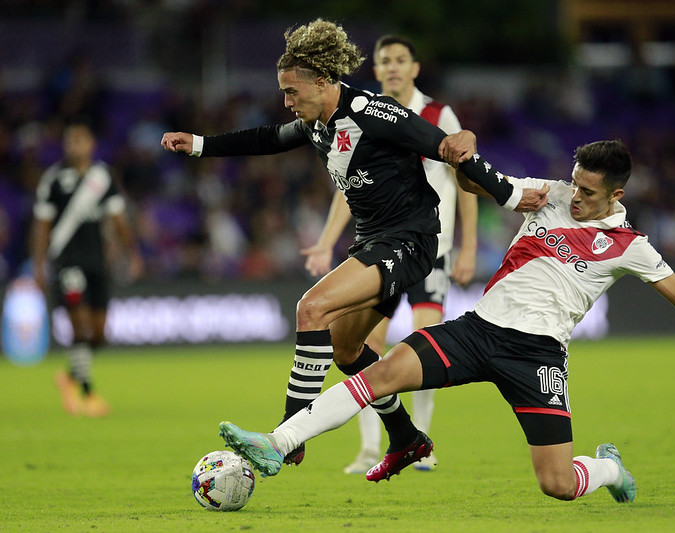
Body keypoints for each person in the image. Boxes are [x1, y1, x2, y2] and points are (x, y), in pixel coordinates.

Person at [218, 139, 675, 501]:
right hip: (478, 329)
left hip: (537, 357)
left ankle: (610, 470)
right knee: (380, 373)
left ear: (616, 194)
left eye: (588, 191)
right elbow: (483, 184)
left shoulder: (631, 246)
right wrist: (465, 161)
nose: (575, 196)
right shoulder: (550, 194)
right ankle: (276, 442)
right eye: (574, 182)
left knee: (557, 484)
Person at [161, 19, 547, 468]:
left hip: (410, 240)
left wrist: (511, 194)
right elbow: (267, 138)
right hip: (374, 242)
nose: (286, 102)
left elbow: (450, 149)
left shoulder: (372, 111)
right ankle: (406, 437)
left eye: (292, 92)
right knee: (346, 350)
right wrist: (199, 144)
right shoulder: (316, 124)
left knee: (311, 308)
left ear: (322, 82)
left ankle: (286, 437)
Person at [301, 34, 478, 474]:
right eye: (386, 61)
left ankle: (422, 441)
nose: (394, 67)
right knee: (364, 346)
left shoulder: (438, 114)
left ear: (414, 68)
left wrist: (469, 247)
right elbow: (348, 188)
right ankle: (369, 446)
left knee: (423, 340)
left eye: (401, 60)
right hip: (382, 247)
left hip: (431, 247)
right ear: (377, 70)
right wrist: (326, 240)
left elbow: (465, 180)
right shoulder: (359, 114)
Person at [32, 119, 143, 417]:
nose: (76, 146)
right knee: (80, 326)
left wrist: (132, 254)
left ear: (92, 144)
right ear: (65, 145)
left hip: (97, 262)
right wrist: (38, 266)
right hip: (67, 261)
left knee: (99, 334)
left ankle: (69, 375)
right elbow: (41, 225)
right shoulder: (54, 179)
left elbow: (118, 218)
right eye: (71, 140)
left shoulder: (102, 176)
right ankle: (87, 393)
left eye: (81, 140)